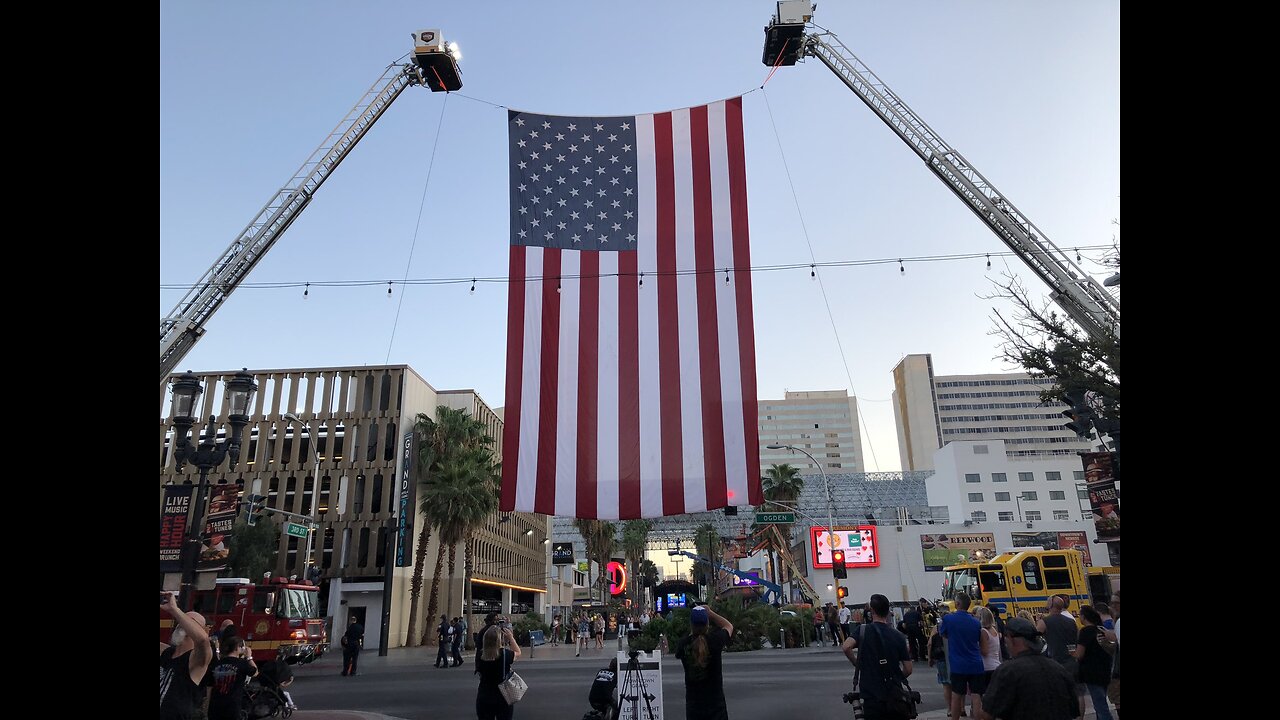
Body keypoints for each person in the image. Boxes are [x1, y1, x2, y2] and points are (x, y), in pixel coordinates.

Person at [980, 617, 1079, 720]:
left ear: (1011, 639)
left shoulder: (1007, 671)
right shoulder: (1059, 669)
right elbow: (1074, 710)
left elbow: (987, 714)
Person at [841, 593, 913, 720]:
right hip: (894, 695)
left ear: (871, 611)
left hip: (871, 695)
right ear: (888, 612)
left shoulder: (862, 631)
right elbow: (908, 669)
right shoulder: (898, 636)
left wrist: (857, 663)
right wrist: (896, 677)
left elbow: (846, 647)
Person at [161, 593, 215, 720]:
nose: (181, 623)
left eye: (188, 621)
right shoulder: (168, 653)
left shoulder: (195, 659)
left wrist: (175, 610)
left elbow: (202, 640)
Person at [674, 605, 734, 720]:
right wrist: (710, 612)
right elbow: (728, 626)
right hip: (716, 707)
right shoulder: (715, 640)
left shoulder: (683, 644)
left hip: (694, 708)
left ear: (691, 624)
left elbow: (680, 650)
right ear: (707, 624)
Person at [939, 592, 985, 720]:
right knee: (976, 696)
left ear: (957, 604)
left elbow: (943, 634)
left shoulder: (949, 619)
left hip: (958, 664)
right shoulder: (976, 622)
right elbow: (978, 639)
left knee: (957, 695)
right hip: (976, 663)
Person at [1072, 606, 1114, 720]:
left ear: (1084, 617)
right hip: (1105, 670)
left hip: (1091, 673)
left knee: (1100, 707)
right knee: (1101, 702)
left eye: (1080, 615)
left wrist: (1072, 654)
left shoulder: (1085, 631)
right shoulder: (1100, 629)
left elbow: (1079, 654)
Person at [475, 622, 521, 720]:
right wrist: (511, 638)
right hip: (503, 696)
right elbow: (518, 652)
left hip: (484, 695)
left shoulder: (481, 655)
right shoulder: (505, 654)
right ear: (499, 640)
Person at [206, 635, 258, 720]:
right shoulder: (242, 663)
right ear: (238, 647)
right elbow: (255, 672)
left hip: (215, 705)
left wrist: (207, 707)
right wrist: (249, 657)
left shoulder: (216, 664)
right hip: (232, 706)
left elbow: (209, 687)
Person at [975, 607, 1001, 689]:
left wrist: (975, 647)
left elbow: (985, 651)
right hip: (996, 664)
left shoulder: (984, 631)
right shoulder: (994, 630)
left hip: (987, 666)